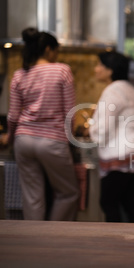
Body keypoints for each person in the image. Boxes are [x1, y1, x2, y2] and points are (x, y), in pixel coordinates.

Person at [7, 27, 80, 221]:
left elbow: (13, 115)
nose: (57, 55)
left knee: (32, 198)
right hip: (52, 141)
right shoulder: (62, 70)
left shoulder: (19, 74)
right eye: (56, 51)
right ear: (48, 49)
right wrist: (70, 138)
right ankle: (54, 238)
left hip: (23, 140)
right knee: (68, 193)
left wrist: (9, 136)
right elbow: (69, 114)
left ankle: (35, 243)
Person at [89, 51, 134, 223]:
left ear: (110, 70)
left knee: (108, 203)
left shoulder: (112, 92)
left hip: (119, 156)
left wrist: (90, 131)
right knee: (131, 205)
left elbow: (103, 129)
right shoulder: (131, 90)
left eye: (100, 65)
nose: (96, 69)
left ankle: (114, 245)